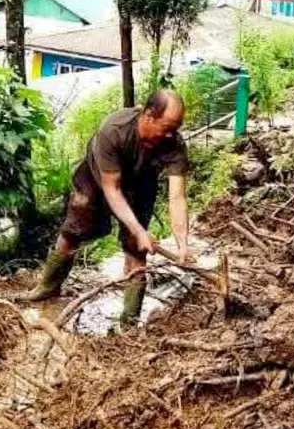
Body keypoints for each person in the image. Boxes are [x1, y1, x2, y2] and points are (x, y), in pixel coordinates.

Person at [21, 89, 193, 328]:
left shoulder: (173, 143)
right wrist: (138, 230)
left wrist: (182, 244)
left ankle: (129, 321)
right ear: (149, 115)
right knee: (72, 233)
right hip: (97, 178)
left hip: (140, 185)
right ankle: (46, 288)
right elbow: (112, 189)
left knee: (136, 251)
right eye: (168, 126)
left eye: (176, 128)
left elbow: (177, 197)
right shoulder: (114, 130)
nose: (171, 134)